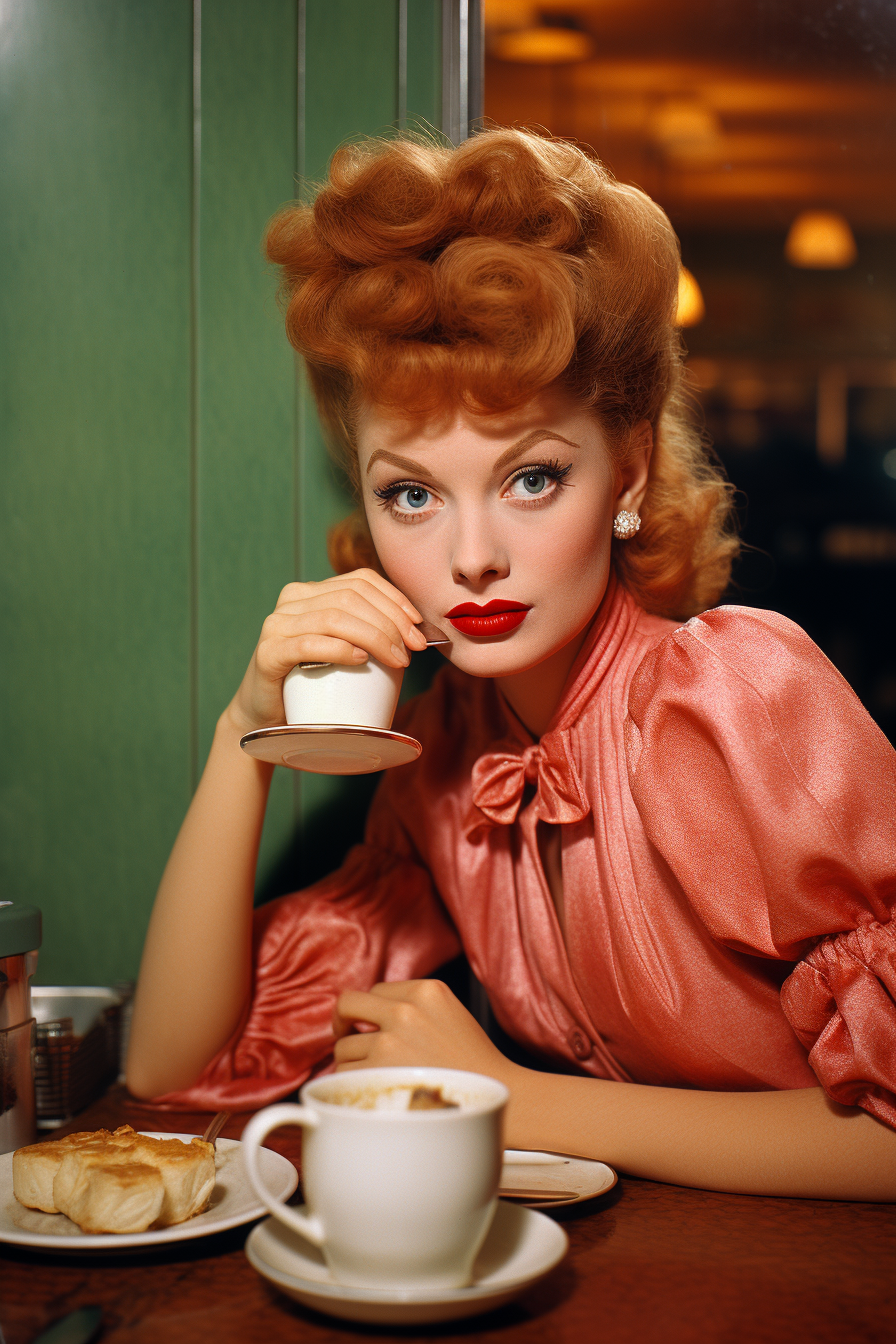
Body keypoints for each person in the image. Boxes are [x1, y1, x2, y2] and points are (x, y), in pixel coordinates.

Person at [126, 129, 896, 1200]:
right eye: (412, 494)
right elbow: (171, 1067)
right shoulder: (445, 754)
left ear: (624, 472)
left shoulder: (734, 698)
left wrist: (510, 1096)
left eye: (529, 477)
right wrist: (241, 734)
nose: (471, 552)